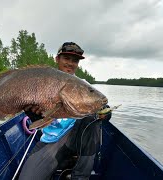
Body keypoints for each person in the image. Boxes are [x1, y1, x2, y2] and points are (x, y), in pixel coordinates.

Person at [19, 42, 111, 180]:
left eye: (74, 60)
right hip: (52, 140)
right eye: (66, 58)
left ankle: (80, 177)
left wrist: (106, 112)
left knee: (91, 118)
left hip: (77, 139)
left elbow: (103, 105)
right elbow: (38, 122)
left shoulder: (84, 85)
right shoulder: (41, 82)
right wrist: (33, 114)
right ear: (57, 59)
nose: (70, 63)